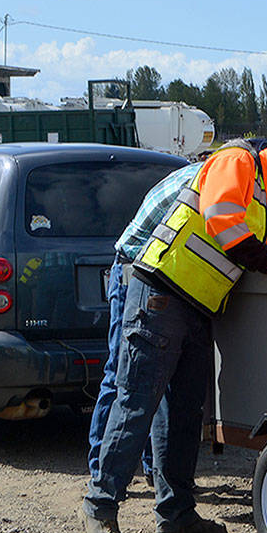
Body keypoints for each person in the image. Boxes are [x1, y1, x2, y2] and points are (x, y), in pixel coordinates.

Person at [80, 128, 267, 533]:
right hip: (160, 292)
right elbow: (221, 219)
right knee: (136, 403)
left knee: (184, 413)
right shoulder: (238, 162)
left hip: (195, 306)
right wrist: (263, 259)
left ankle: (176, 516)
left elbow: (261, 253)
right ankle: (100, 505)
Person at [86, 164, 209, 492]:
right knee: (122, 378)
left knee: (153, 382)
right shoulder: (210, 181)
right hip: (135, 273)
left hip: (148, 274)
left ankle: (155, 471)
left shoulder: (198, 174)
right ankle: (101, 470)